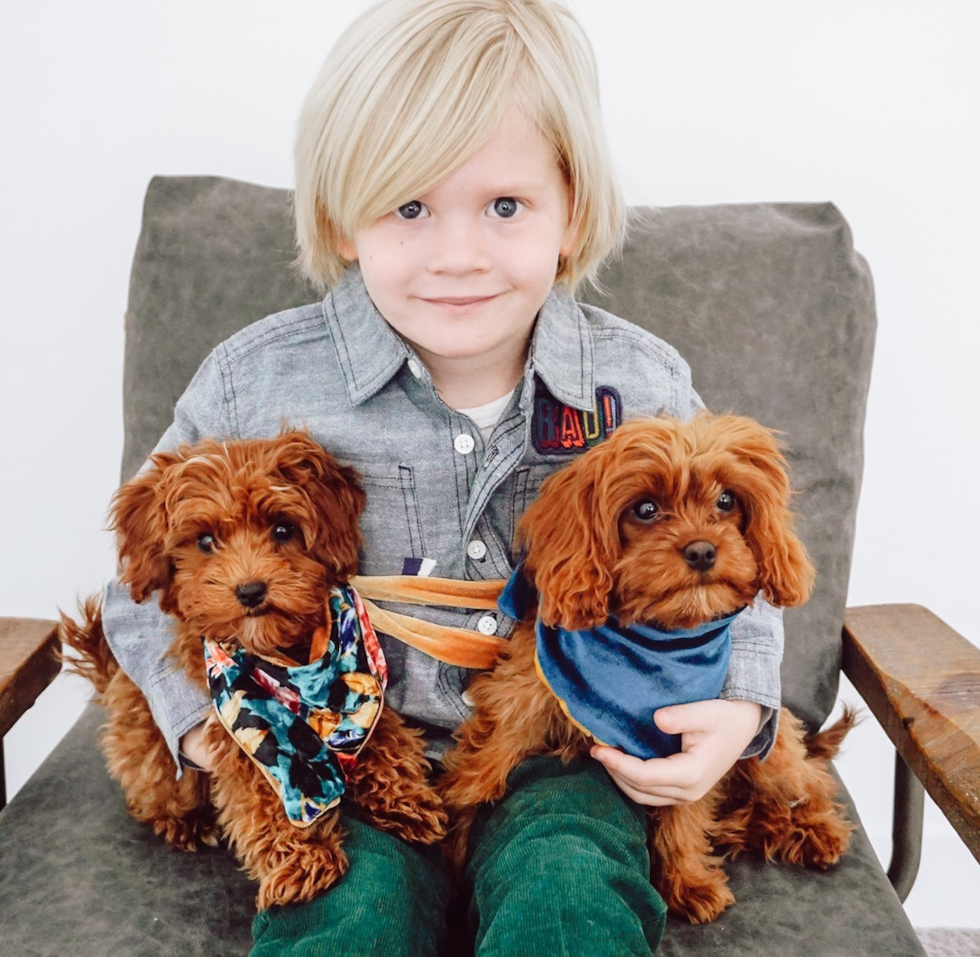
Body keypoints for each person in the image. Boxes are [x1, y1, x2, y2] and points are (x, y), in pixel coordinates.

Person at [102, 1, 784, 954]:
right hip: (345, 761)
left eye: (505, 206)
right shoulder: (251, 380)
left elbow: (741, 568)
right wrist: (204, 733)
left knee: (572, 892)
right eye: (409, 207)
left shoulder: (642, 384)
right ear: (344, 219)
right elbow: (134, 591)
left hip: (566, 750)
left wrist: (741, 710)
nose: (458, 254)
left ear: (570, 208)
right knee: (341, 916)